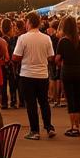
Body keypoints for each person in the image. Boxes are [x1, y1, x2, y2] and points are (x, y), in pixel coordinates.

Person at [13, 11, 56, 140]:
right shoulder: (46, 38)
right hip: (42, 74)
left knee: (31, 104)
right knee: (44, 102)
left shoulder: (23, 38)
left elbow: (16, 57)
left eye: (26, 22)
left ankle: (34, 130)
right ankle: (49, 127)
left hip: (27, 74)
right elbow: (51, 56)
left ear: (30, 23)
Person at [56, 15, 80, 136]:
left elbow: (57, 58)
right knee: (78, 99)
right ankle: (77, 126)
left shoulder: (63, 41)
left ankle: (72, 127)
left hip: (68, 72)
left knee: (70, 100)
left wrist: (61, 63)